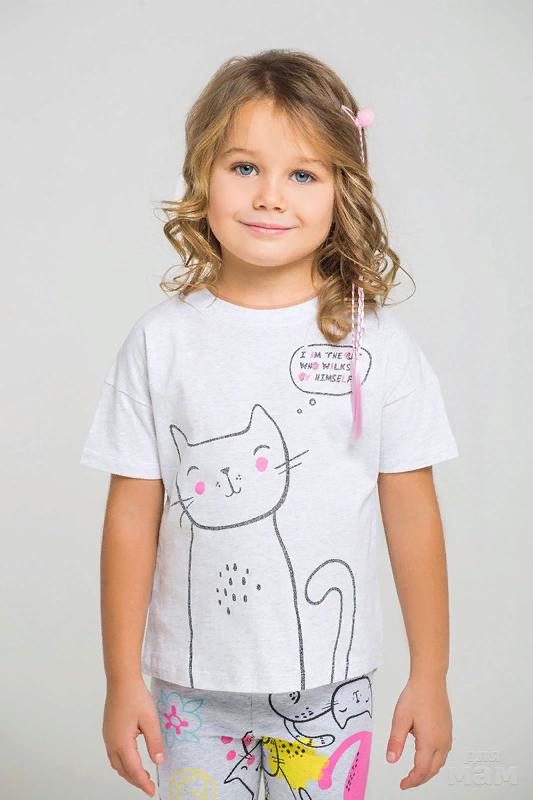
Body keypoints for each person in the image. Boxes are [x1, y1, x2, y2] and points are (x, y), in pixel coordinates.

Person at [80, 49, 459, 800]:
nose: (269, 197)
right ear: (203, 173)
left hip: (331, 689)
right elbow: (130, 516)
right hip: (190, 688)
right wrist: (122, 679)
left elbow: (413, 513)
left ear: (343, 188)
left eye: (303, 174)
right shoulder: (162, 342)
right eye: (245, 167)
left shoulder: (378, 345)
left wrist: (431, 675)